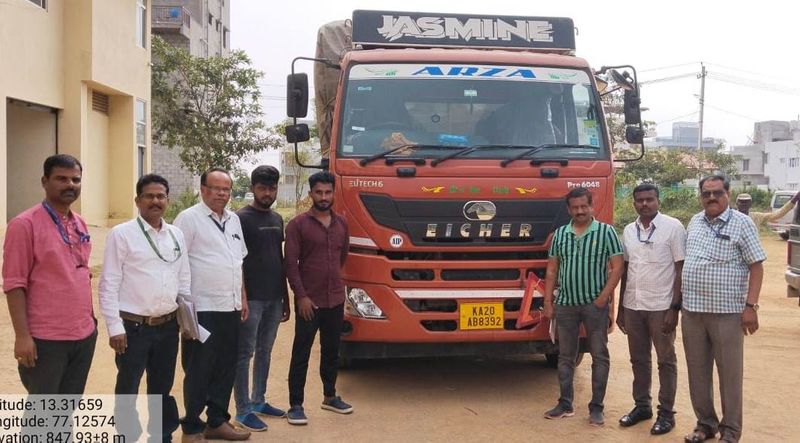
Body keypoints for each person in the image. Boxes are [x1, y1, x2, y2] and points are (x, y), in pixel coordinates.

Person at [98, 174, 189, 442]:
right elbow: (109, 284)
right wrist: (115, 327)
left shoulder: (176, 235)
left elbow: (184, 279)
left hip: (168, 326)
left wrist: (186, 321)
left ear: (168, 201)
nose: (155, 201)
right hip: (133, 328)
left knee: (162, 387)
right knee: (128, 385)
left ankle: (161, 436)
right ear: (137, 200)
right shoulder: (122, 234)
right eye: (149, 196)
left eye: (160, 196)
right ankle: (127, 435)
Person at [3, 154, 96, 394]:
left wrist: (91, 322)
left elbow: (82, 274)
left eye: (76, 180)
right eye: (61, 179)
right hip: (46, 339)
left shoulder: (80, 223)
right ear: (45, 182)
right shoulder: (24, 225)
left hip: (83, 335)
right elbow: (14, 284)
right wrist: (22, 337)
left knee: (66, 409)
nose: (70, 185)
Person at [682, 175, 765, 443]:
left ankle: (730, 431)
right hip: (692, 311)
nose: (712, 198)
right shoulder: (694, 221)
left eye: (717, 193)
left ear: (728, 193)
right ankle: (705, 424)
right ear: (700, 196)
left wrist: (750, 306)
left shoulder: (742, 223)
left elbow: (756, 266)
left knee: (729, 374)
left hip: (727, 312)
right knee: (697, 372)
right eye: (706, 193)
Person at [174, 168, 250, 442]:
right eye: (216, 188)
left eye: (226, 189)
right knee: (198, 368)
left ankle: (217, 421)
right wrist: (183, 311)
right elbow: (177, 264)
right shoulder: (189, 219)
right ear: (203, 189)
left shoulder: (233, 220)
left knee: (225, 367)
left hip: (229, 307)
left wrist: (241, 297)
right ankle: (192, 426)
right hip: (201, 309)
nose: (222, 194)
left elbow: (237, 262)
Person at [542, 187, 624, 427]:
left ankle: (596, 407)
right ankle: (565, 404)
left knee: (600, 356)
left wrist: (603, 299)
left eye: (583, 206)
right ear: (569, 209)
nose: (579, 211)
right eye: (575, 207)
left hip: (593, 306)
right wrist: (548, 302)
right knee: (565, 357)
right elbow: (552, 270)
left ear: (591, 206)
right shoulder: (560, 235)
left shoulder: (606, 232)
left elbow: (617, 267)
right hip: (565, 305)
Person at [617, 183, 686, 435]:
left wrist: (674, 308)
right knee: (639, 359)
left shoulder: (673, 227)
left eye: (649, 199)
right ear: (634, 203)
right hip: (633, 305)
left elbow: (680, 270)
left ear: (658, 200)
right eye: (640, 200)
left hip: (661, 307)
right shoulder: (627, 230)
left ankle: (666, 413)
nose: (644, 204)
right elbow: (625, 270)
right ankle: (641, 406)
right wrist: (622, 309)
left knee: (666, 360)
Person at [284, 171, 352, 425]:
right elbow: (291, 264)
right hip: (308, 303)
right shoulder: (297, 225)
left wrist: (335, 286)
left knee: (332, 350)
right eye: (319, 192)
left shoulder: (342, 224)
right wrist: (300, 296)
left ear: (334, 193)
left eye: (328, 192)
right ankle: (296, 405)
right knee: (300, 352)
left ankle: (330, 396)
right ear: (310, 193)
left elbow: (342, 257)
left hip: (334, 299)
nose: (323, 197)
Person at [233, 165, 291, 431]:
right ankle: (243, 409)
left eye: (272, 188)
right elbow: (236, 263)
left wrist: (285, 297)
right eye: (262, 188)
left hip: (274, 297)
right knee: (245, 353)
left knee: (265, 352)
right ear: (253, 188)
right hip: (251, 299)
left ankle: (258, 400)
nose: (268, 193)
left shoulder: (278, 219)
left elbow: (278, 260)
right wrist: (242, 297)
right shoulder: (240, 219)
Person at [735, 191, 800, 226]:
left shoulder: (756, 217)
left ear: (750, 204)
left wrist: (794, 200)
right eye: (741, 202)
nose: (744, 204)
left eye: (746, 202)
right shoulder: (731, 217)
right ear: (737, 203)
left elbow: (777, 214)